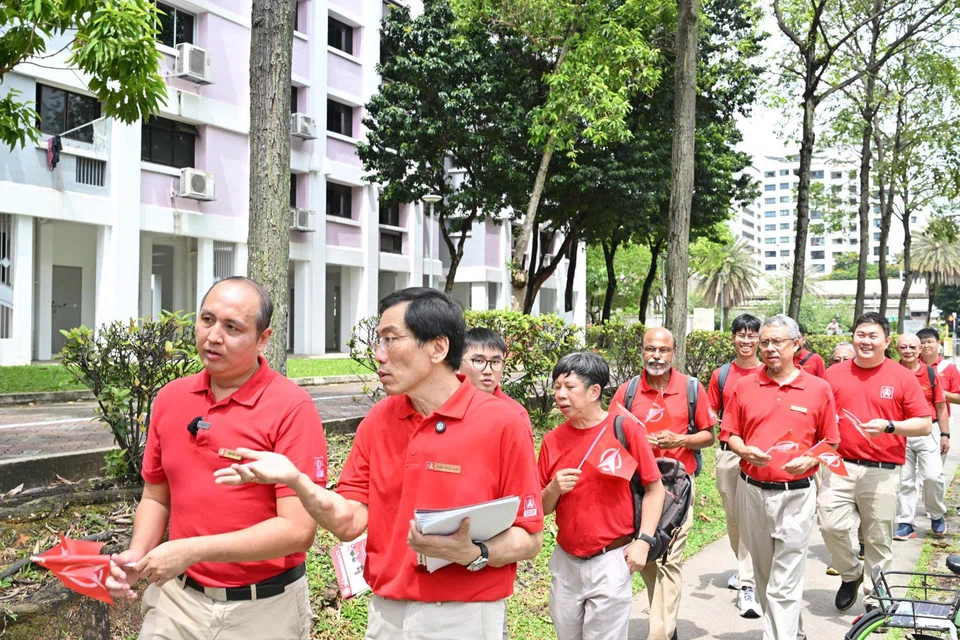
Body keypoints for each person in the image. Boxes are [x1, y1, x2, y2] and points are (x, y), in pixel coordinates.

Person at [214, 287, 543, 640]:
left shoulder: (503, 423)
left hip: (464, 616)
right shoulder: (379, 420)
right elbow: (349, 522)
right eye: (378, 341)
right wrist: (297, 481)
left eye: (390, 340)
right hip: (386, 614)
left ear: (437, 347)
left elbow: (530, 537)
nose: (378, 355)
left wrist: (474, 552)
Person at [105, 277, 327, 640]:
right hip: (175, 602)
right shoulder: (171, 399)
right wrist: (138, 554)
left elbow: (297, 532)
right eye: (207, 320)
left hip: (262, 609)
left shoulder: (291, 408)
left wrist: (190, 550)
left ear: (264, 339)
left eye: (232, 327)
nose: (213, 336)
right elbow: (155, 496)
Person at [725, 314, 840, 640]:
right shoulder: (744, 386)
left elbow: (831, 441)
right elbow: (729, 434)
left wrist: (810, 458)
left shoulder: (818, 388)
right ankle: (794, 631)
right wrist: (744, 451)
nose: (770, 348)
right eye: (765, 342)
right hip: (751, 491)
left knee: (785, 579)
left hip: (796, 493)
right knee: (763, 577)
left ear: (797, 344)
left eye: (778, 342)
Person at [538, 351, 665, 640]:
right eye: (557, 386)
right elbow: (542, 508)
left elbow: (654, 489)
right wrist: (554, 488)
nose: (560, 394)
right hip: (566, 561)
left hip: (611, 560)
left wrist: (643, 542)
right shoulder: (552, 440)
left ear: (594, 391)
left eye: (569, 387)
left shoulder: (625, 429)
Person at [819, 312, 932, 612]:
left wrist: (890, 426)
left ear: (887, 340)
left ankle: (876, 598)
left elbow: (924, 424)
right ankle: (850, 574)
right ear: (852, 335)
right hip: (838, 465)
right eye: (860, 334)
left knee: (878, 537)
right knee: (829, 524)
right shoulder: (834, 374)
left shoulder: (901, 376)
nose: (865, 341)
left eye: (873, 336)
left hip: (882, 470)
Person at [611, 327, 716, 640]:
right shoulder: (628, 391)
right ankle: (666, 625)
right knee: (647, 556)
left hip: (678, 487)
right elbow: (611, 432)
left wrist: (679, 438)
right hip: (639, 488)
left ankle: (659, 633)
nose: (656, 356)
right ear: (642, 351)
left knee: (671, 558)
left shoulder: (691, 388)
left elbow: (709, 436)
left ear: (674, 353)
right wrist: (635, 440)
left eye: (663, 350)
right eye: (650, 349)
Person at [706, 313, 763, 618]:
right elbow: (711, 407)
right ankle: (746, 570)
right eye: (740, 334)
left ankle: (748, 582)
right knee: (734, 518)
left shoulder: (769, 372)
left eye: (751, 335)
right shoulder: (723, 374)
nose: (746, 340)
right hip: (729, 454)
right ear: (733, 338)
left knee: (754, 515)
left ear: (759, 338)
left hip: (759, 456)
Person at [893, 334, 949, 539]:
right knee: (905, 480)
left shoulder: (930, 373)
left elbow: (941, 406)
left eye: (912, 347)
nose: (908, 350)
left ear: (919, 350)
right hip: (901, 431)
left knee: (934, 476)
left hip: (928, 431)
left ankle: (937, 515)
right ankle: (906, 522)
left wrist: (945, 434)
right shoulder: (892, 372)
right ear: (897, 350)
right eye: (903, 347)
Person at [459, 326, 530, 427]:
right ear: (458, 363)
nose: (488, 371)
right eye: (479, 361)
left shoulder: (516, 413)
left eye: (495, 362)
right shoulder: (442, 406)